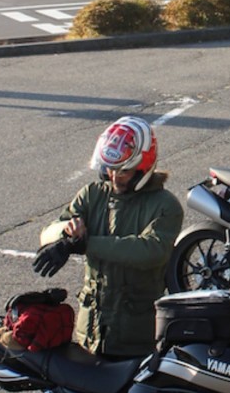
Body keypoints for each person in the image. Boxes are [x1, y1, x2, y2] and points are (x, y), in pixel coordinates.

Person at [32, 116, 184, 358]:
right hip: (88, 334)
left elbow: (150, 251)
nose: (114, 177)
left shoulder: (165, 206)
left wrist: (87, 244)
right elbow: (49, 231)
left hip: (136, 339)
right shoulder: (92, 194)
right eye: (111, 169)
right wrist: (65, 239)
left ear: (143, 167)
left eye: (123, 171)